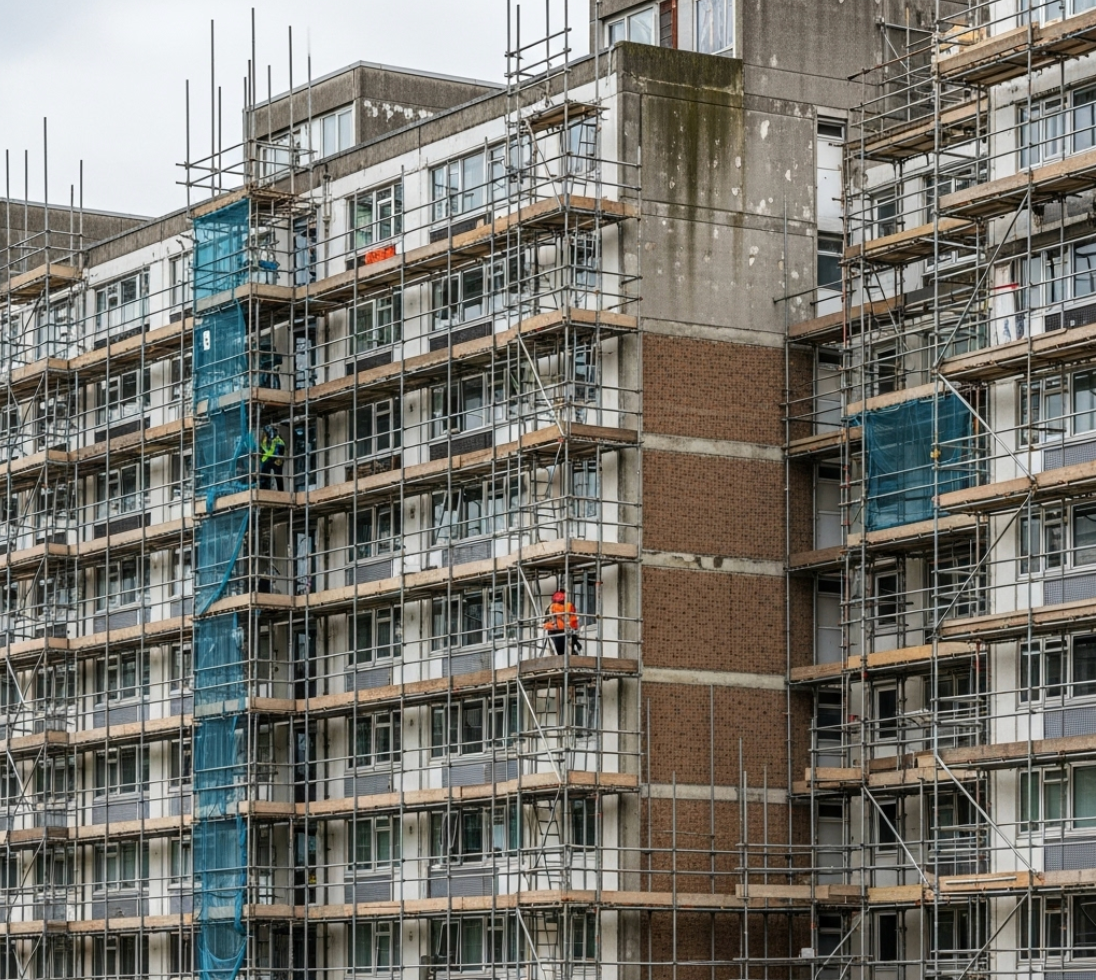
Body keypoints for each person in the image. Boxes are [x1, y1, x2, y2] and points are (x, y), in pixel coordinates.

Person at [544, 589, 581, 656]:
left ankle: (565, 656)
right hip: (563, 630)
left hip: (553, 630)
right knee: (566, 651)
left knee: (560, 652)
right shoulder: (568, 605)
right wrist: (575, 633)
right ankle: (572, 652)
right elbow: (573, 622)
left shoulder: (550, 607)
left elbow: (546, 621)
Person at [259, 424, 287, 491]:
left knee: (278, 476)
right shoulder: (265, 440)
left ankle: (280, 492)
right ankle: (264, 490)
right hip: (267, 460)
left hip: (276, 460)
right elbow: (263, 449)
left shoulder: (278, 441)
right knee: (265, 475)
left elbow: (278, 452)